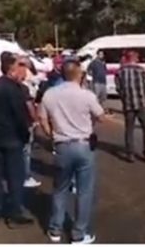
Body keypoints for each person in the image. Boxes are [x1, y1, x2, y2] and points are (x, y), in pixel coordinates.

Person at [39, 58, 104, 244]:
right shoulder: (87, 95)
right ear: (80, 74)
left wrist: (51, 135)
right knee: (84, 191)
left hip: (61, 145)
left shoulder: (50, 94)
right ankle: (78, 233)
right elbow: (100, 117)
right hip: (83, 145)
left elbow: (42, 118)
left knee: (59, 189)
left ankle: (55, 230)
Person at [0, 52, 34, 228]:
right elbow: (20, 116)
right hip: (13, 137)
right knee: (15, 177)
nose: (24, 70)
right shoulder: (15, 89)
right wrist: (25, 134)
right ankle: (13, 213)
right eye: (21, 66)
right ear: (13, 69)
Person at [116, 49, 145, 162]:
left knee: (129, 129)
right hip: (142, 103)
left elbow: (119, 89)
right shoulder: (142, 70)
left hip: (128, 104)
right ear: (135, 58)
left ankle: (130, 154)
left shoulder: (120, 72)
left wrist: (124, 98)